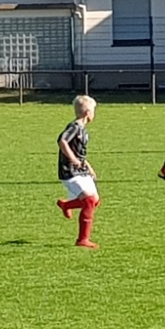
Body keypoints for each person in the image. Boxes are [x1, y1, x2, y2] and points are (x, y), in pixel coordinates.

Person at [55, 95, 101, 249]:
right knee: (89, 201)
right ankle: (82, 239)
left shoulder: (83, 130)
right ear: (88, 113)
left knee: (95, 201)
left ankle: (66, 205)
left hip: (80, 170)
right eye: (93, 111)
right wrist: (73, 159)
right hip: (69, 171)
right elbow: (62, 141)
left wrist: (88, 166)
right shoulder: (74, 127)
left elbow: (80, 153)